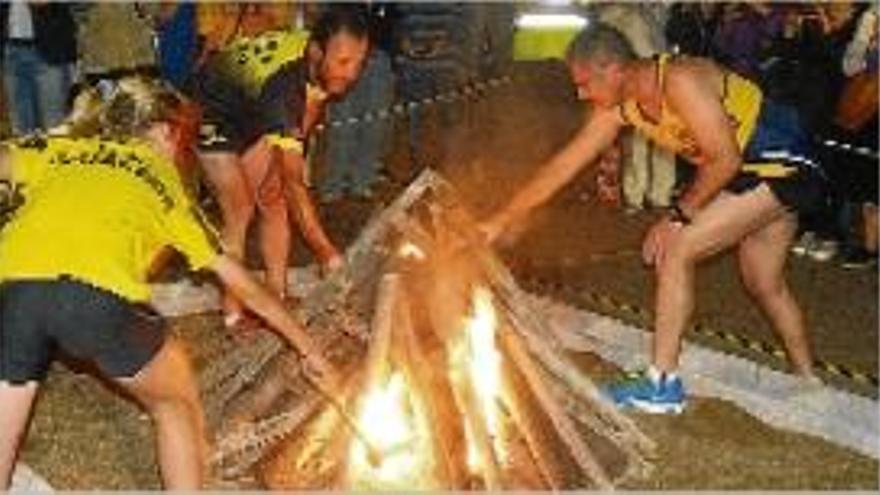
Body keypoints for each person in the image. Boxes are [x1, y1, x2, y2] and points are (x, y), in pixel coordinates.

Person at [0, 77, 339, 489]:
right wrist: (307, 348)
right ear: (163, 132)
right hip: (92, 296)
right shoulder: (163, 185)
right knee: (176, 398)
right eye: (179, 140)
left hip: (14, 289)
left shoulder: (60, 148)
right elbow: (245, 286)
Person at [481, 24, 825, 414]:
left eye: (584, 83)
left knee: (676, 249)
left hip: (780, 164)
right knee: (763, 281)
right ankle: (810, 383)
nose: (581, 94)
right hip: (749, 172)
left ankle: (662, 384)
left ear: (611, 69)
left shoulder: (677, 79)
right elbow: (564, 165)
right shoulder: (618, 106)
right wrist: (502, 218)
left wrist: (677, 216)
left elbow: (724, 158)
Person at [193, 6, 369, 333]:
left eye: (359, 63)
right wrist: (327, 253)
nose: (352, 74)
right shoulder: (285, 87)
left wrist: (295, 141)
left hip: (252, 107)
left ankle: (277, 295)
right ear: (316, 51)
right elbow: (295, 183)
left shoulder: (314, 63)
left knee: (272, 200)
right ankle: (232, 312)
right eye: (343, 62)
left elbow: (309, 106)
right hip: (210, 107)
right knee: (240, 208)